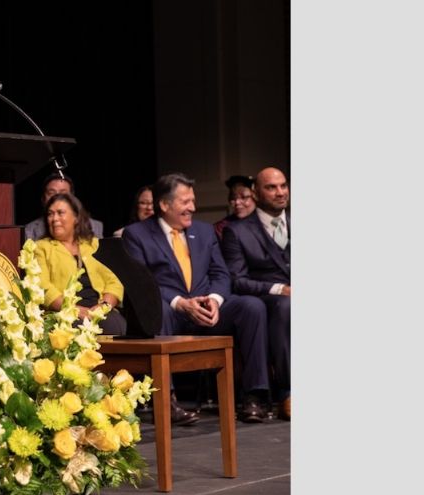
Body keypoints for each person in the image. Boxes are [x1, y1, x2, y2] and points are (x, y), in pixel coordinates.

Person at [122, 172, 271, 424]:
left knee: (251, 306)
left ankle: (254, 397)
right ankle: (166, 401)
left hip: (204, 309)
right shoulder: (137, 234)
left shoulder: (203, 231)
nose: (193, 207)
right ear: (164, 205)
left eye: (193, 200)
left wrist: (214, 300)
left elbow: (221, 273)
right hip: (171, 314)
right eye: (185, 202)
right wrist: (180, 303)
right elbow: (142, 283)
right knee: (159, 308)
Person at [221, 166, 291, 420]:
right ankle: (288, 392)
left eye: (283, 185)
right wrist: (279, 288)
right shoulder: (238, 231)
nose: (280, 192)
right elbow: (237, 280)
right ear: (256, 193)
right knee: (285, 306)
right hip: (266, 299)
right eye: (271, 187)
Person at [34, 193, 126, 335]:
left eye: (60, 213)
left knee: (116, 325)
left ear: (76, 217)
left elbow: (114, 281)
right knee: (76, 327)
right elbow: (43, 287)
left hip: (100, 309)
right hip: (63, 312)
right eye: (50, 214)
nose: (54, 219)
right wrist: (74, 310)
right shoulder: (41, 247)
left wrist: (103, 307)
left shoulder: (94, 244)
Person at [24, 172, 104, 241]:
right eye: (51, 193)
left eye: (63, 193)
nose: (57, 197)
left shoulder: (94, 226)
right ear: (43, 198)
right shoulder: (30, 230)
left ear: (72, 198)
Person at [213, 175, 256, 240]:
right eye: (233, 198)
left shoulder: (265, 222)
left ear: (255, 198)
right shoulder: (221, 228)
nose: (237, 202)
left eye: (243, 197)